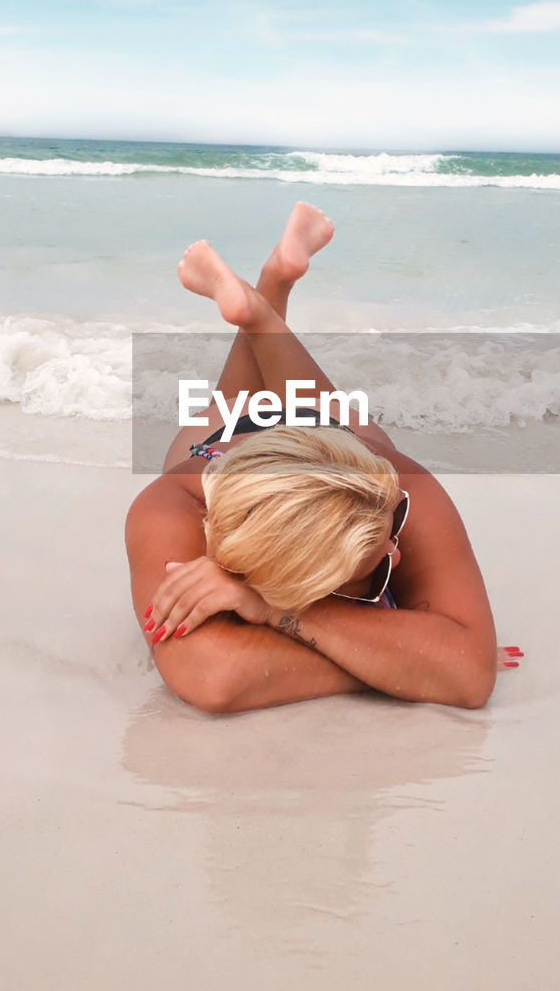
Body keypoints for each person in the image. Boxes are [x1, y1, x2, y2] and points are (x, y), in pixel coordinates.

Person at [124, 202, 521, 714]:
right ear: (295, 582)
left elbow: (467, 677)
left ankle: (266, 305)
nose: (397, 555)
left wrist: (276, 616)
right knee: (239, 408)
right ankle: (267, 296)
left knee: (322, 416)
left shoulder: (394, 485)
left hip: (324, 447)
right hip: (220, 449)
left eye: (393, 525)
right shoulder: (172, 507)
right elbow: (215, 676)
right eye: (375, 572)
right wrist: (403, 665)